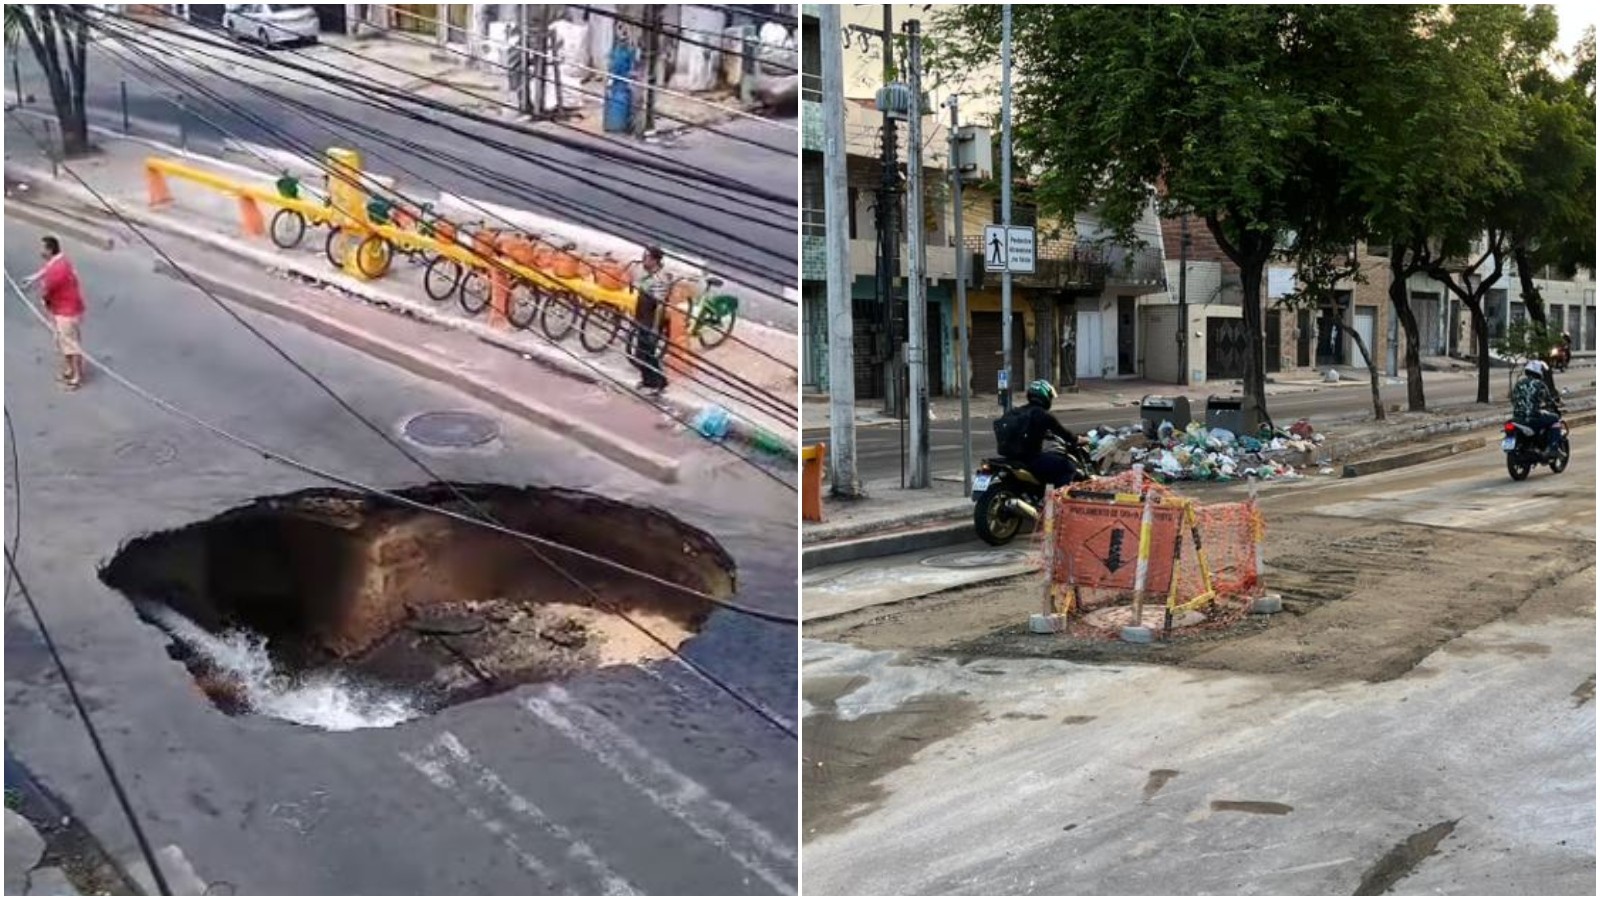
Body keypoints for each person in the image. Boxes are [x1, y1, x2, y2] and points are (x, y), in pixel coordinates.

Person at [21, 236, 86, 390]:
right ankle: (70, 370)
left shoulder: (56, 271)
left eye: (43, 248)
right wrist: (33, 278)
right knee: (63, 342)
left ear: (49, 250)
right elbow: (46, 270)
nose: (40, 251)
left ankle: (76, 377)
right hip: (67, 309)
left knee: (70, 344)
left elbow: (47, 291)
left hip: (65, 312)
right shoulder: (61, 261)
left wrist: (41, 298)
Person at [1009, 379, 1081, 487]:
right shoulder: (1043, 415)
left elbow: (1026, 430)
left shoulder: (1017, 411)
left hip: (1011, 458)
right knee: (1068, 467)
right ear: (1045, 397)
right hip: (1031, 459)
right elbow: (1063, 433)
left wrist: (1044, 433)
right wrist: (1077, 439)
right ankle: (1054, 501)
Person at [629, 244, 670, 394]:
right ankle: (647, 380)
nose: (643, 261)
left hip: (652, 321)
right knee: (640, 353)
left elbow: (659, 306)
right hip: (643, 317)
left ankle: (660, 383)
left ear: (654, 260)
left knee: (648, 354)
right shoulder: (648, 274)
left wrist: (654, 327)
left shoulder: (660, 279)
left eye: (646, 258)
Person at [1512, 359, 1563, 456]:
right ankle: (1553, 448)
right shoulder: (1539, 384)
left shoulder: (1519, 383)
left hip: (1517, 417)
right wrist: (1554, 406)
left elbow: (1513, 399)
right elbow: (1549, 400)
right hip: (1532, 417)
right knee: (1555, 419)